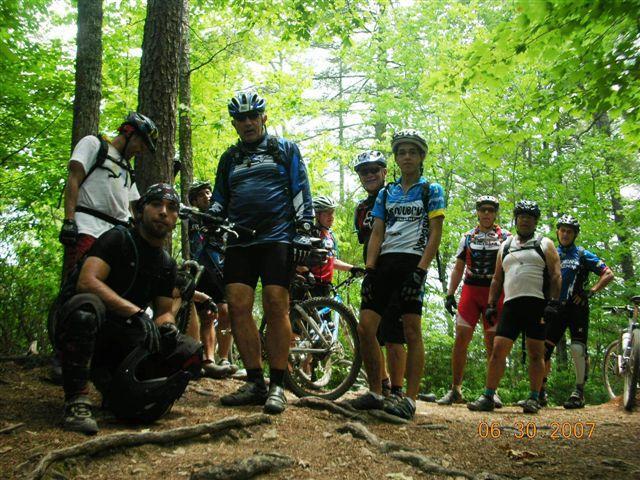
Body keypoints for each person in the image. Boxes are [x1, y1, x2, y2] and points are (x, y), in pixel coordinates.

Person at [53, 184, 202, 435]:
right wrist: (136, 312)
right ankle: (76, 401)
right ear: (141, 211)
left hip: (124, 335)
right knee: (87, 308)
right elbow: (87, 282)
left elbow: (164, 311)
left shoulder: (166, 263)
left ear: (177, 218)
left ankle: (123, 394)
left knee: (187, 349)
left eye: (172, 208)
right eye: (156, 205)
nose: (164, 212)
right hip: (79, 324)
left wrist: (167, 327)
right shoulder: (117, 238)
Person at [210, 90, 314, 414]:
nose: (248, 123)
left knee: (275, 306)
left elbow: (301, 190)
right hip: (239, 240)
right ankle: (255, 381)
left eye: (253, 116)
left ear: (263, 117)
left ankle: (278, 386)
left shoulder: (285, 149)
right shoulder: (230, 158)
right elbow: (219, 198)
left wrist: (305, 231)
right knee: (239, 306)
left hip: (277, 238)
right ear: (234, 123)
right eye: (241, 119)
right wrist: (209, 217)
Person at [352, 130, 446, 420]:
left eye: (412, 152)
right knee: (366, 327)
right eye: (402, 152)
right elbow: (377, 231)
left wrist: (421, 272)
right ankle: (375, 392)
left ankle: (410, 399)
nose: (407, 157)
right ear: (395, 158)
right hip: (384, 264)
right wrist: (369, 269)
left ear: (421, 157)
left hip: (412, 264)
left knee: (411, 330)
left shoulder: (432, 190)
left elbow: (435, 234)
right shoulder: (386, 192)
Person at [467, 200, 561, 414]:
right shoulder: (505, 245)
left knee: (536, 352)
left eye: (529, 216)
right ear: (516, 219)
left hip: (537, 304)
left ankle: (534, 397)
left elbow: (556, 274)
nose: (525, 220)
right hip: (510, 305)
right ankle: (488, 396)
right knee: (498, 350)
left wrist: (553, 302)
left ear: (535, 221)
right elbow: (497, 278)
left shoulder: (545, 243)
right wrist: (491, 303)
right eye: (521, 216)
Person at [58, 112, 158, 282]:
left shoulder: (127, 170)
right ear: (128, 132)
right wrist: (69, 220)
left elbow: (132, 208)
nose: (141, 150)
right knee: (80, 287)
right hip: (88, 229)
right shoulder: (94, 145)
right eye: (141, 142)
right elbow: (74, 178)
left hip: (118, 239)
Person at [438, 196, 509, 407]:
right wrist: (450, 293)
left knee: (493, 344)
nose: (486, 214)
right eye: (483, 210)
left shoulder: (506, 237)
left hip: (494, 293)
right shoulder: (468, 237)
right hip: (470, 290)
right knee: (461, 339)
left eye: (490, 210)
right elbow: (459, 267)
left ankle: (492, 392)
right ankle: (455, 390)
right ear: (477, 212)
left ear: (495, 213)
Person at [541, 214, 614, 409]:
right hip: (555, 307)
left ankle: (579, 392)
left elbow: (608, 273)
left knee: (577, 349)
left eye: (569, 231)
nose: (565, 234)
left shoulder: (582, 254)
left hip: (577, 308)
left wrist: (591, 291)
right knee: (544, 350)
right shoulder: (551, 253)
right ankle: (540, 391)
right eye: (562, 230)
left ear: (575, 234)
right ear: (557, 232)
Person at [353, 151, 407, 399]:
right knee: (368, 331)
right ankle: (379, 386)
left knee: (395, 334)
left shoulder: (398, 196)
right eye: (365, 171)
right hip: (374, 274)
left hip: (397, 270)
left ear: (385, 172)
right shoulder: (361, 208)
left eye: (375, 170)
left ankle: (397, 391)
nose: (370, 175)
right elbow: (368, 240)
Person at [188, 180, 237, 378]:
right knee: (208, 314)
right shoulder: (193, 217)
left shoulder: (224, 217)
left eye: (209, 192)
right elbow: (197, 246)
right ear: (194, 200)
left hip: (222, 270)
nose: (207, 196)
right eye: (202, 195)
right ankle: (207, 360)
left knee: (226, 313)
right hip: (203, 272)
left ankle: (223, 358)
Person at [307, 195, 363, 297]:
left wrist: (352, 268)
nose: (331, 216)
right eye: (327, 213)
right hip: (311, 286)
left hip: (326, 286)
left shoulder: (330, 236)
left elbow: (333, 261)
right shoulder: (310, 234)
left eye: (332, 212)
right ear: (317, 215)